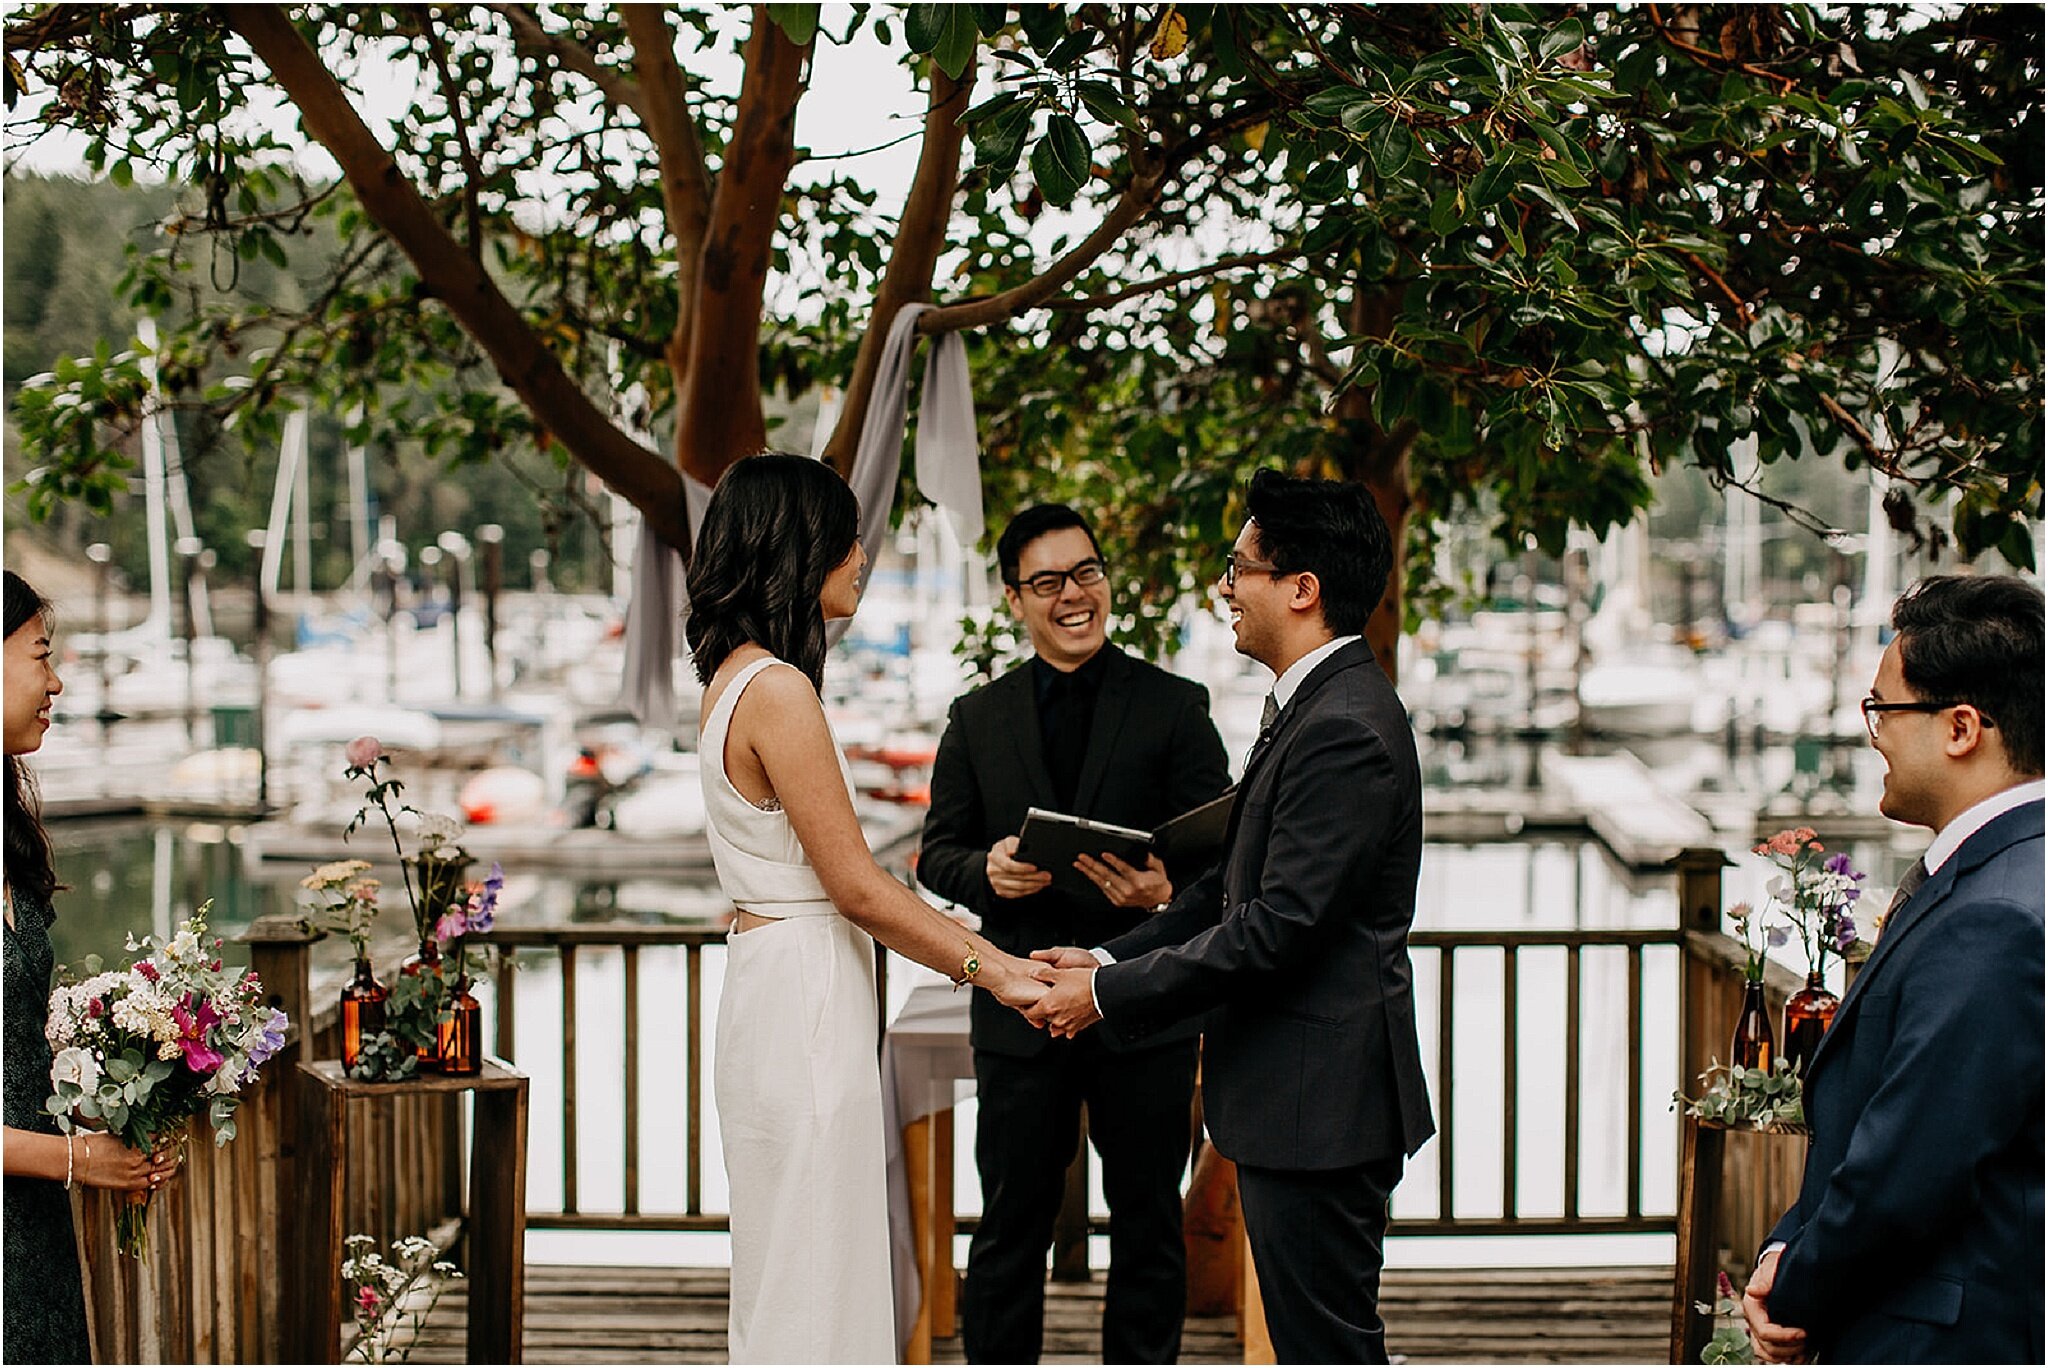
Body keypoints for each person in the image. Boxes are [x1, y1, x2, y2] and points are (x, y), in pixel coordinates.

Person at [1027, 470, 1434, 1363]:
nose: (1223, 589)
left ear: (1301, 588)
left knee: (1327, 1349)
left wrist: (1108, 998)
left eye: (1238, 567)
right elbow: (1221, 891)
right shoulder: (1311, 706)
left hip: (1322, 1107)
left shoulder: (1345, 728)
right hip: (1298, 1101)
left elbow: (1276, 930)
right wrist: (1102, 957)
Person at [683, 454, 1047, 1364]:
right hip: (803, 991)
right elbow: (854, 884)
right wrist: (993, 967)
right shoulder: (777, 689)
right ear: (799, 549)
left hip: (773, 983)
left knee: (792, 1258)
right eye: (847, 536)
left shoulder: (731, 678)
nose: (861, 556)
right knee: (817, 1260)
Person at [918, 505, 1230, 1364]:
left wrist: (1168, 887)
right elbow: (936, 853)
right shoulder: (976, 718)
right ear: (1015, 598)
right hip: (1018, 1010)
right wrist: (987, 871)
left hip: (1142, 1006)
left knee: (1147, 1227)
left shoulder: (1176, 705)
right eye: (1047, 582)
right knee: (1009, 1227)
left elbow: (1227, 854)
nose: (1072, 596)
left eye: (1085, 573)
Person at [1743, 574, 2043, 1365]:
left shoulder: (1996, 916)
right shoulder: (1998, 872)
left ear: (1961, 728)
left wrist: (1791, 1285)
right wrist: (1788, 1243)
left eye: (1882, 708)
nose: (1870, 731)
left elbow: (1911, 1166)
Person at [3, 570, 177, 1364]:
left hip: (31, 1226)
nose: (58, 680)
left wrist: (97, 1113)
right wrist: (78, 1160)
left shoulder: (10, 828)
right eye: (41, 655)